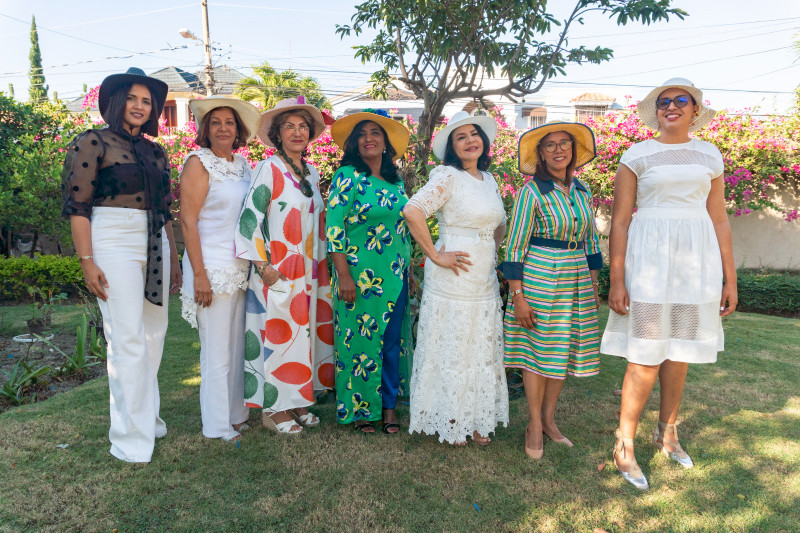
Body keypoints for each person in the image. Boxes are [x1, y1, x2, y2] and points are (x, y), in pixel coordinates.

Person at [601, 77, 737, 490]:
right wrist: (617, 278)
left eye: (682, 101)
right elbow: (621, 220)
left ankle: (667, 431)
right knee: (645, 354)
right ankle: (624, 443)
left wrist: (730, 278)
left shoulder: (710, 155)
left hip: (695, 262)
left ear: (695, 110)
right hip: (649, 262)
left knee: (678, 352)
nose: (672, 107)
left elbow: (719, 219)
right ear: (656, 110)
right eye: (664, 102)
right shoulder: (637, 155)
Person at [61, 67, 181, 463]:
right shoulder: (91, 142)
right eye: (132, 98)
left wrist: (175, 258)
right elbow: (78, 208)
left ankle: (147, 418)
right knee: (126, 336)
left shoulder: (156, 151)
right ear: (116, 101)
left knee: (153, 334)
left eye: (146, 101)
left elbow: (165, 209)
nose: (139, 106)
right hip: (111, 238)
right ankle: (130, 437)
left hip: (156, 238)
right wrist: (86, 261)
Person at [404, 111, 508, 445]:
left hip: (483, 276)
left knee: (478, 344)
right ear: (452, 147)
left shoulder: (488, 180)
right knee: (454, 342)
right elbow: (412, 210)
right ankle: (451, 416)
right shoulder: (447, 176)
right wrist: (435, 255)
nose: (469, 141)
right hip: (453, 274)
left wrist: (487, 248)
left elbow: (499, 223)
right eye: (460, 137)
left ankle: (476, 418)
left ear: (484, 140)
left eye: (474, 134)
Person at [500, 122, 603, 459]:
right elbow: (514, 246)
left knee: (562, 348)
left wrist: (594, 283)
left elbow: (590, 241)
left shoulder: (583, 190)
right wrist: (518, 295)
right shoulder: (532, 192)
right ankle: (532, 423)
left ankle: (548, 419)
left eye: (565, 144)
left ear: (573, 151)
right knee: (538, 350)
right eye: (550, 145)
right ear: (540, 154)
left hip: (576, 282)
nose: (559, 150)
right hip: (541, 277)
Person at [234, 96, 334, 434]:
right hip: (278, 268)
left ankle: (298, 401)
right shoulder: (269, 168)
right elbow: (249, 219)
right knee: (278, 336)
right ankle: (275, 408)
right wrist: (264, 267)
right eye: (289, 126)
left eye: (303, 126)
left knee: (301, 337)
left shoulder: (312, 172)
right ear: (278, 134)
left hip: (309, 270)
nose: (297, 132)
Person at [179, 96, 261, 442]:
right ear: (206, 130)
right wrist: (199, 274)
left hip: (240, 268)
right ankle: (215, 425)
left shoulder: (243, 166)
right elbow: (187, 220)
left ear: (238, 129)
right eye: (216, 123)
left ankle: (235, 414)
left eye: (229, 122)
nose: (224, 128)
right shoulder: (198, 163)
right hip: (211, 268)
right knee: (215, 351)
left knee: (235, 348)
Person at [326, 109, 413, 434]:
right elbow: (333, 226)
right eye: (361, 134)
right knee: (358, 343)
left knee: (390, 342)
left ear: (386, 142)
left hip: (394, 275)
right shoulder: (347, 175)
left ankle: (388, 408)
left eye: (375, 132)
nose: (369, 139)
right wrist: (343, 275)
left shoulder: (396, 181)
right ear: (353, 144)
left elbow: (404, 228)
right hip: (358, 277)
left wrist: (409, 271)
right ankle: (361, 409)